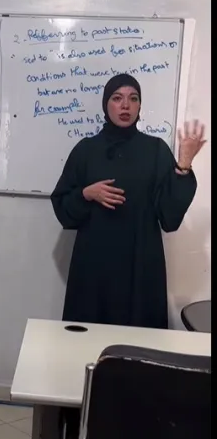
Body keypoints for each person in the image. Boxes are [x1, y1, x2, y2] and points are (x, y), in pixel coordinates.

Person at [50, 73, 206, 329]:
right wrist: (86, 194)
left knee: (137, 343)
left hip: (140, 266)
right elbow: (63, 209)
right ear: (106, 104)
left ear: (139, 106)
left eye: (133, 99)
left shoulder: (155, 150)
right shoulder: (86, 150)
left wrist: (184, 166)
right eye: (117, 98)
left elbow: (169, 217)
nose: (125, 105)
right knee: (88, 341)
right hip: (94, 268)